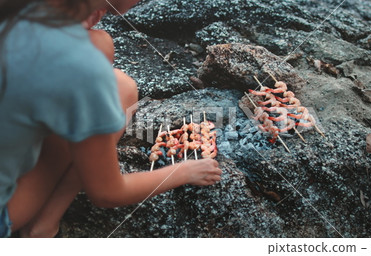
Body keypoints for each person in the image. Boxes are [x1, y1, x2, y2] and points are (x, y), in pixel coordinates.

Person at [0, 0, 222, 238]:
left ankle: (43, 223)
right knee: (123, 88)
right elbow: (107, 194)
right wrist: (183, 172)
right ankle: (40, 227)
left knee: (102, 46)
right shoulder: (83, 67)